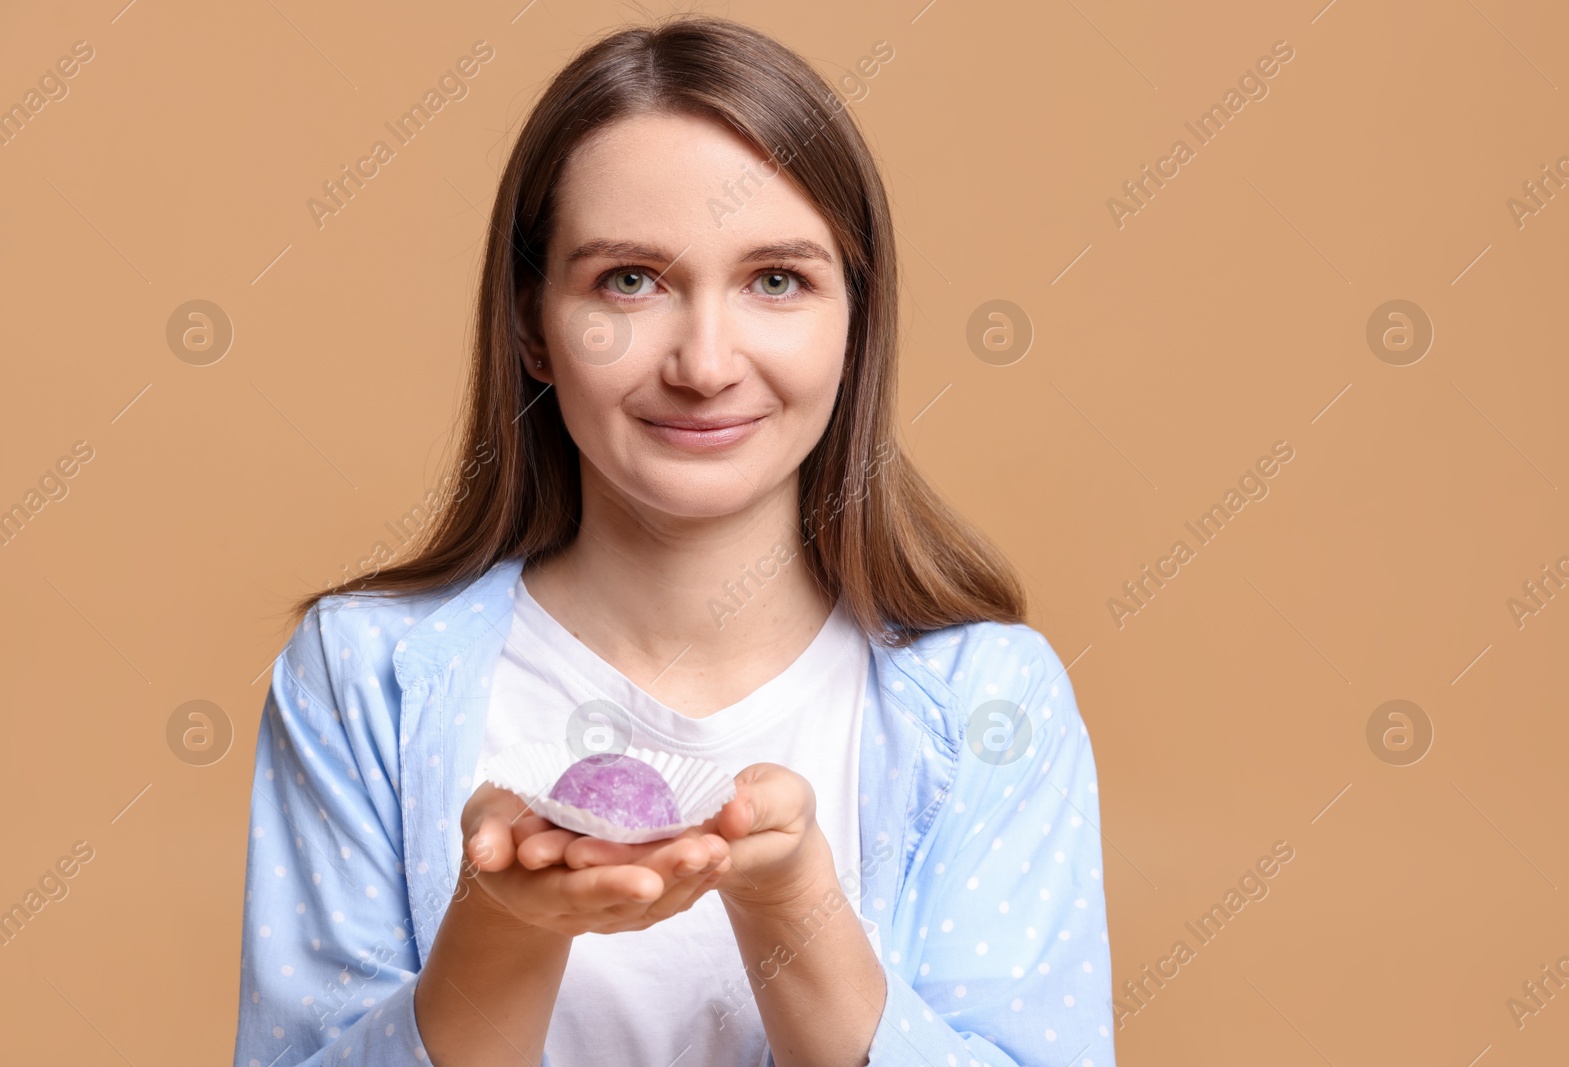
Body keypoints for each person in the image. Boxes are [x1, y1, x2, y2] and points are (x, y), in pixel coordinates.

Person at [233, 14, 1115, 1067]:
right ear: (532, 326)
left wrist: (794, 908)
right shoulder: (359, 675)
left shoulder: (991, 702)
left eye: (777, 279)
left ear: (855, 319)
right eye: (629, 280)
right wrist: (503, 930)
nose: (703, 362)